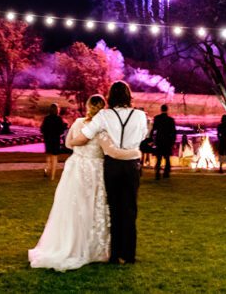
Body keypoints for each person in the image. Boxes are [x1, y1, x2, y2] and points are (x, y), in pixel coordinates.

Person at [29, 94, 142, 271]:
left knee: (73, 206)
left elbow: (68, 143)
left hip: (76, 167)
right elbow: (108, 151)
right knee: (94, 205)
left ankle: (69, 242)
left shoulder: (78, 123)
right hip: (95, 168)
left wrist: (78, 146)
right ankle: (93, 247)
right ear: (104, 107)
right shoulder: (104, 126)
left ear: (88, 106)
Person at [70, 81, 148, 265]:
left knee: (113, 208)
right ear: (129, 96)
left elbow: (86, 135)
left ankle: (114, 254)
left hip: (112, 165)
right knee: (130, 208)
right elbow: (143, 136)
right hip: (131, 165)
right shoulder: (140, 115)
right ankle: (129, 254)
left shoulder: (104, 115)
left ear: (110, 96)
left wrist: (71, 142)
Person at [150, 104, 177, 180]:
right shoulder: (170, 120)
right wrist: (173, 141)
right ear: (167, 110)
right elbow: (174, 132)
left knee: (159, 158)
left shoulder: (157, 118)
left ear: (161, 109)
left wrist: (151, 139)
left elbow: (154, 129)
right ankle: (166, 173)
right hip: (167, 141)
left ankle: (157, 173)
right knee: (167, 158)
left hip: (159, 141)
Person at [41, 104, 66, 180]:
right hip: (55, 140)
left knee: (48, 156)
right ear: (57, 110)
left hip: (47, 139)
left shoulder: (46, 118)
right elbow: (61, 130)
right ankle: (52, 176)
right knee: (54, 158)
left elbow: (42, 129)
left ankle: (46, 168)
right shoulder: (59, 119)